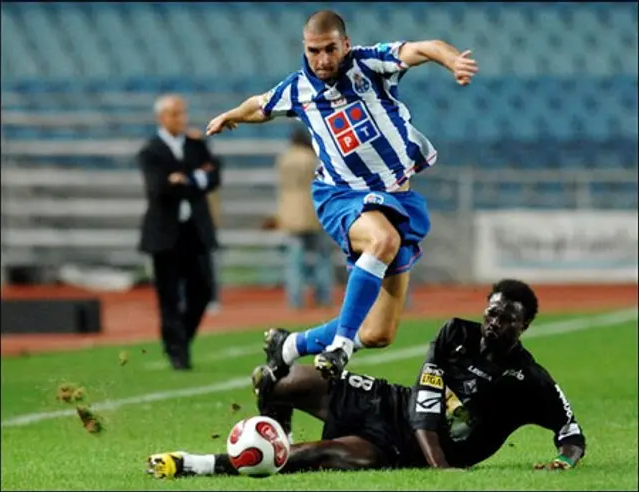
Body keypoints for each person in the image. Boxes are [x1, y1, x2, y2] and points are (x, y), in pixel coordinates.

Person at [205, 10, 479, 383]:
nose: (322, 59)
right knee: (383, 239)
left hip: (397, 196)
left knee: (378, 333)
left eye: (329, 49)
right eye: (314, 50)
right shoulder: (299, 88)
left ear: (345, 44)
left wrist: (452, 61)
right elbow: (260, 105)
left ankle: (289, 346)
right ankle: (340, 347)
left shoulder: (370, 64)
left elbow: (423, 48)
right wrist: (231, 115)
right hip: (341, 196)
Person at [145, 279, 586, 477]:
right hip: (391, 403)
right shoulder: (455, 332)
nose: (495, 323)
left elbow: (570, 430)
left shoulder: (529, 380)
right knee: (277, 382)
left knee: (313, 455)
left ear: (523, 326)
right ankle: (270, 432)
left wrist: (565, 460)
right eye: (492, 312)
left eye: (507, 319)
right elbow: (427, 405)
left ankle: (196, 464)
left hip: (395, 447)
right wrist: (443, 470)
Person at [138, 94, 221, 370]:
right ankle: (177, 352)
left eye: (182, 113)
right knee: (169, 295)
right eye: (174, 114)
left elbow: (214, 177)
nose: (180, 119)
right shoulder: (150, 150)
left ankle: (180, 338)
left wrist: (183, 179)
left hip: (195, 231)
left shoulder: (197, 145)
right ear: (161, 118)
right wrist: (194, 178)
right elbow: (159, 188)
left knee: (203, 290)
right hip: (165, 233)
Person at [277, 127, 334, 308]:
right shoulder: (311, 159)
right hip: (312, 210)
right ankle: (323, 296)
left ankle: (295, 299)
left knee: (294, 260)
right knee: (322, 257)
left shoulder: (284, 159)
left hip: (290, 212)